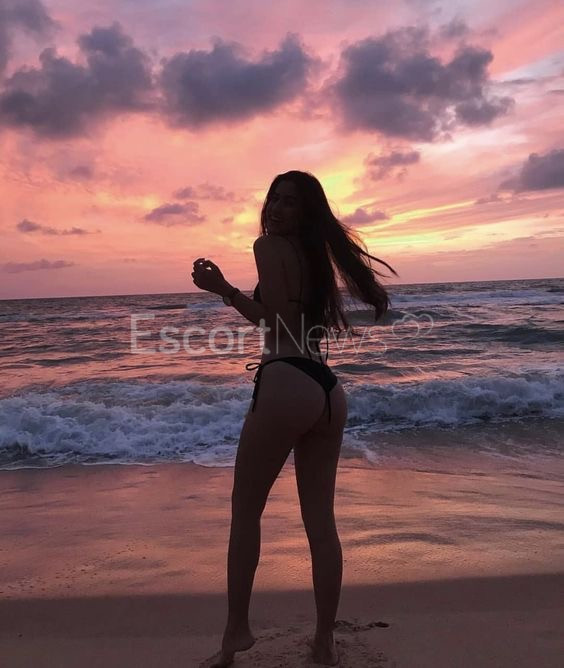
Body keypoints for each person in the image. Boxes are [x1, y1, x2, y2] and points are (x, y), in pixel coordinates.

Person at [191, 170, 397, 667]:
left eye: (290, 202)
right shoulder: (314, 259)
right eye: (274, 199)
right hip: (326, 391)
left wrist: (223, 290)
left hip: (285, 381)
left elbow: (276, 321)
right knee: (320, 524)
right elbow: (296, 320)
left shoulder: (268, 247)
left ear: (306, 212)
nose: (277, 209)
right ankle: (324, 641)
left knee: (246, 512)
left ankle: (236, 633)